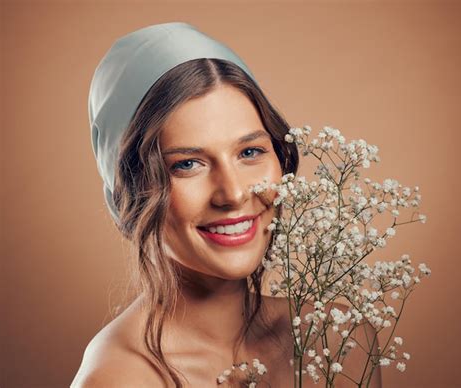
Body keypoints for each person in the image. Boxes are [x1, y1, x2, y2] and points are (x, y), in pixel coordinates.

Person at [72, 22, 382, 387]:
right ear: (130, 193)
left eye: (250, 152)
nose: (233, 193)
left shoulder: (339, 341)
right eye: (187, 164)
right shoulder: (118, 378)